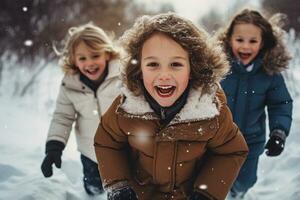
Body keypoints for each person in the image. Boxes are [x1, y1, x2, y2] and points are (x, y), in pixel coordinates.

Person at [94, 13, 249, 200]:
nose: (164, 75)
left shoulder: (211, 112)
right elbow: (107, 142)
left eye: (175, 64)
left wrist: (207, 192)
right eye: (153, 64)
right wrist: (119, 184)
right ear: (139, 69)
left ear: (193, 69)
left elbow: (231, 151)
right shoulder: (125, 108)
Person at [217, 9, 293, 198]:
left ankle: (238, 193)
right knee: (214, 179)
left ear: (263, 42)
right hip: (217, 139)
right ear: (229, 39)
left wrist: (279, 132)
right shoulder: (218, 67)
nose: (245, 47)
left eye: (253, 41)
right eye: (239, 40)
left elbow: (280, 104)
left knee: (246, 180)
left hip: (249, 142)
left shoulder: (269, 73)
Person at [40, 23, 121, 195]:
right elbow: (62, 116)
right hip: (90, 153)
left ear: (107, 53)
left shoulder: (123, 77)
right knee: (93, 189)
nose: (89, 63)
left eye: (95, 55)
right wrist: (54, 146)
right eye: (82, 58)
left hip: (124, 151)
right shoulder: (70, 84)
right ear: (74, 60)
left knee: (123, 191)